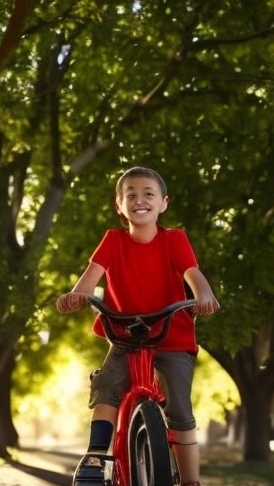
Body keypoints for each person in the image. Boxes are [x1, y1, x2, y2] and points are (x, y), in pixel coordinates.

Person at [56, 166, 219, 486]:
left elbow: (193, 274)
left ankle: (190, 481)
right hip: (124, 335)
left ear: (163, 203)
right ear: (119, 205)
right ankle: (94, 459)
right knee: (107, 386)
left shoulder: (174, 240)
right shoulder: (113, 241)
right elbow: (89, 281)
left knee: (180, 409)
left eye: (148, 194)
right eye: (130, 195)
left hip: (172, 336)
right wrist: (76, 297)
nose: (139, 200)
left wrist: (204, 295)